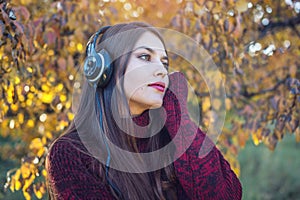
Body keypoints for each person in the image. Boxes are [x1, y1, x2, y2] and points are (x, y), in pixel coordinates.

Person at [46, 22, 242, 200]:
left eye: (164, 62)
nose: (161, 71)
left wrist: (177, 113)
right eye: (145, 57)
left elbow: (226, 195)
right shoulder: (70, 153)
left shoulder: (172, 136)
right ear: (106, 70)